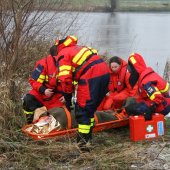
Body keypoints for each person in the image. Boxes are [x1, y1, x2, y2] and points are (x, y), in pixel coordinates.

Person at [53, 35, 110, 152]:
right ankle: (88, 139)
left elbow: (65, 79)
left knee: (83, 111)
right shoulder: (76, 48)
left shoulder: (62, 54)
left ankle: (82, 146)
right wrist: (72, 94)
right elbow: (76, 74)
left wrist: (68, 98)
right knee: (90, 109)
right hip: (104, 72)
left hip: (91, 75)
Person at [23, 46, 68, 124]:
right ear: (54, 56)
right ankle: (29, 122)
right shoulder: (42, 64)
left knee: (60, 116)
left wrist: (67, 95)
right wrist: (43, 90)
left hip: (57, 96)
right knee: (28, 99)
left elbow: (72, 83)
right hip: (42, 93)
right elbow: (33, 81)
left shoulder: (68, 64)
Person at [125, 52, 170, 120]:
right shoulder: (145, 75)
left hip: (163, 107)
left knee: (131, 108)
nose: (130, 71)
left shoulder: (146, 82)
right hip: (164, 102)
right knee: (131, 102)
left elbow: (158, 98)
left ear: (135, 68)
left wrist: (149, 110)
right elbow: (141, 96)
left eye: (130, 68)